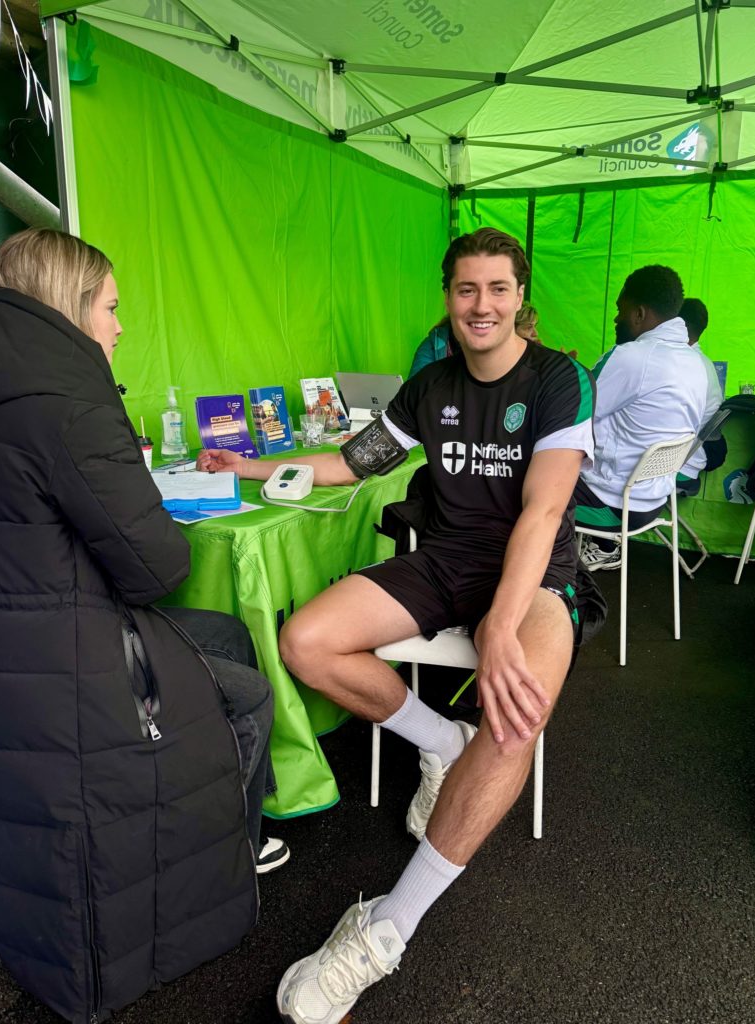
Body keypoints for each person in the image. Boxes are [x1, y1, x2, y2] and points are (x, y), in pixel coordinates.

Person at [198, 226, 596, 1024]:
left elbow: (545, 510)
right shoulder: (430, 385)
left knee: (516, 716)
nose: (481, 305)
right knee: (304, 641)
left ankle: (383, 930)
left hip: (536, 572)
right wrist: (241, 464)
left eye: (497, 289)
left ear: (522, 298)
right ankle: (442, 744)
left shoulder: (559, 379)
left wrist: (501, 626)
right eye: (465, 290)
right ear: (448, 297)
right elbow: (352, 461)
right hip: (445, 560)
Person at [0, 229, 286, 1022]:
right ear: (70, 308)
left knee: (224, 635)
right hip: (76, 660)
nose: (121, 328)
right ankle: (231, 842)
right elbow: (158, 569)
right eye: (112, 309)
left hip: (24, 647)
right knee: (251, 693)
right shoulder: (67, 402)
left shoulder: (21, 385)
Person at [575, 265, 709, 571]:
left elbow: (574, 411)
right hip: (654, 501)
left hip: (610, 506)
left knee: (517, 475)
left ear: (639, 314)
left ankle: (536, 587)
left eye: (620, 310)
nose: (616, 318)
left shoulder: (632, 356)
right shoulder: (696, 363)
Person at [675, 297, 726, 496]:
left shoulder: (683, 364)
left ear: (679, 325)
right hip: (701, 450)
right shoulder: (705, 363)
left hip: (685, 461)